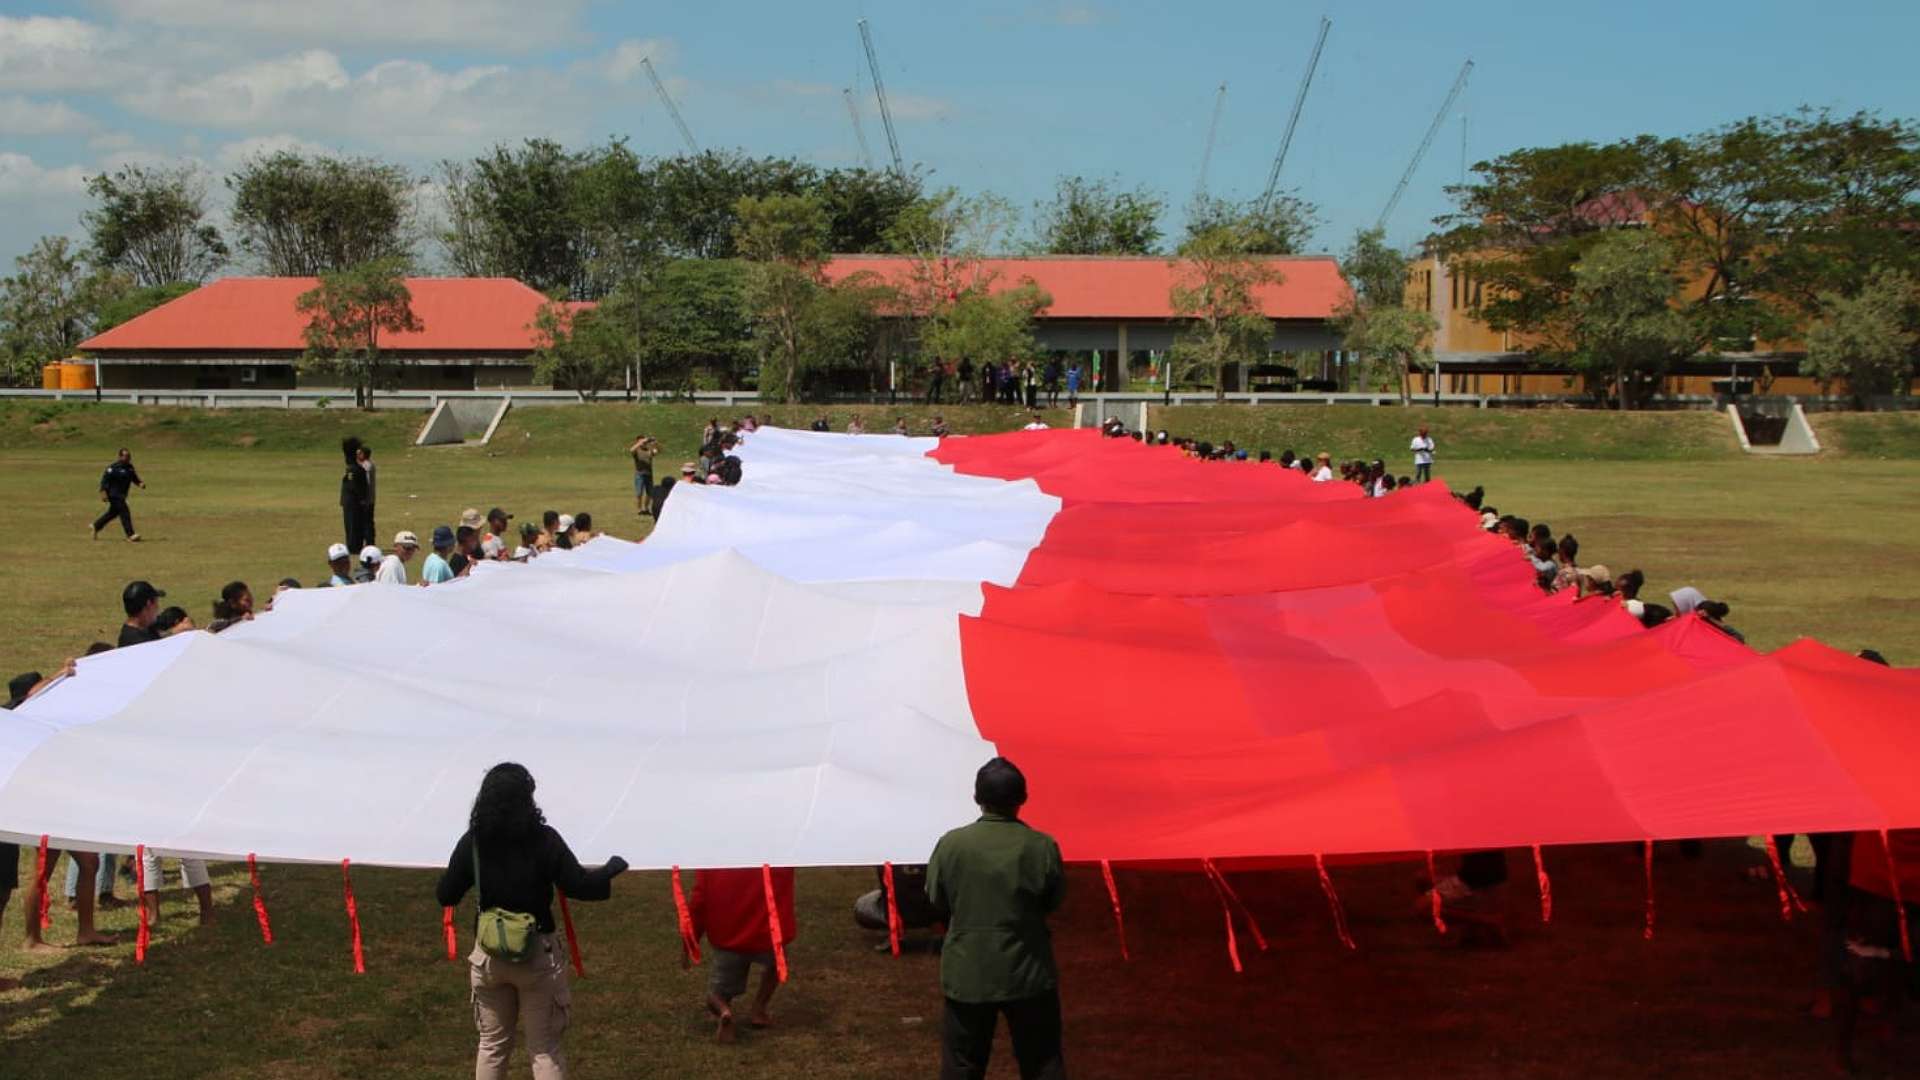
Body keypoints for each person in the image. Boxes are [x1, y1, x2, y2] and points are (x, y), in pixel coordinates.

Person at [436, 763, 628, 1080]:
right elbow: (579, 886)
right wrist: (609, 870)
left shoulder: (473, 841)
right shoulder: (544, 840)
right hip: (537, 956)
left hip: (488, 959)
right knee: (543, 1050)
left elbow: (446, 895)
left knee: (492, 1046)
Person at [926, 757, 1067, 1080]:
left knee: (962, 1065)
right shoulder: (1042, 846)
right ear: (1022, 799)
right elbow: (1054, 899)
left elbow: (936, 899)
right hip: (1028, 970)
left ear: (978, 798)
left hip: (968, 972)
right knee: (1042, 1061)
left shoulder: (951, 845)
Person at [689, 865, 798, 1042]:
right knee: (775, 967)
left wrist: (692, 938)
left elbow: (699, 899)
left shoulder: (711, 858)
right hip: (768, 935)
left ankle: (724, 1010)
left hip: (729, 937)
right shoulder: (779, 854)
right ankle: (759, 1009)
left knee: (716, 994)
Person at [92, 447, 146, 542]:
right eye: (126, 456)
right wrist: (103, 493)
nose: (128, 458)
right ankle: (130, 535)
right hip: (113, 494)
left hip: (122, 494)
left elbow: (134, 478)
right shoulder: (112, 468)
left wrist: (139, 483)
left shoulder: (129, 467)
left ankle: (96, 525)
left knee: (112, 513)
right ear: (120, 457)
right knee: (125, 512)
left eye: (129, 456)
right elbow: (104, 481)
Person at [339, 437, 370, 551]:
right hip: (353, 501)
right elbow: (354, 485)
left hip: (350, 501)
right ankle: (354, 545)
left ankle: (354, 544)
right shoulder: (354, 469)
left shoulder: (353, 467)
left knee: (353, 523)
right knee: (354, 523)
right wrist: (362, 498)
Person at [119, 580, 166, 646]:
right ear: (148, 604)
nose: (158, 607)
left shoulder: (145, 628)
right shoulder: (136, 643)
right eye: (156, 603)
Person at [629, 435, 659, 516]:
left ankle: (646, 508)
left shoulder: (649, 450)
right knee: (639, 493)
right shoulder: (637, 451)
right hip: (639, 474)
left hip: (649, 474)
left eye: (644, 442)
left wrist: (654, 444)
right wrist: (641, 442)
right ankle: (639, 509)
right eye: (641, 441)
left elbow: (656, 451)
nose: (644, 443)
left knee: (649, 493)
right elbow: (631, 450)